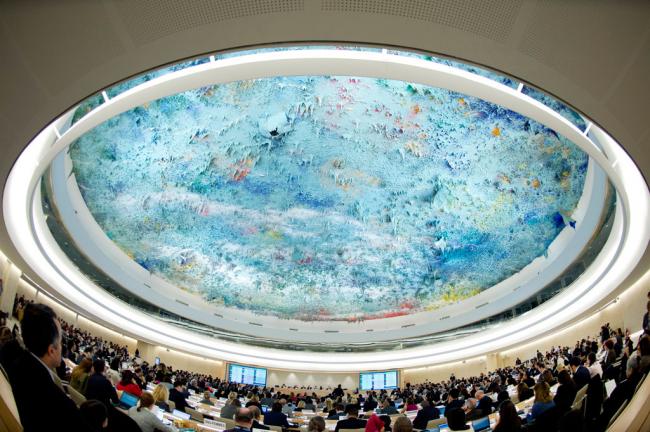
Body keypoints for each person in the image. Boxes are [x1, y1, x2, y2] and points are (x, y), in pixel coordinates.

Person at [3, 303, 89, 431]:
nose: (62, 346)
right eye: (60, 342)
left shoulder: (14, 359)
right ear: (51, 350)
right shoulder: (57, 402)